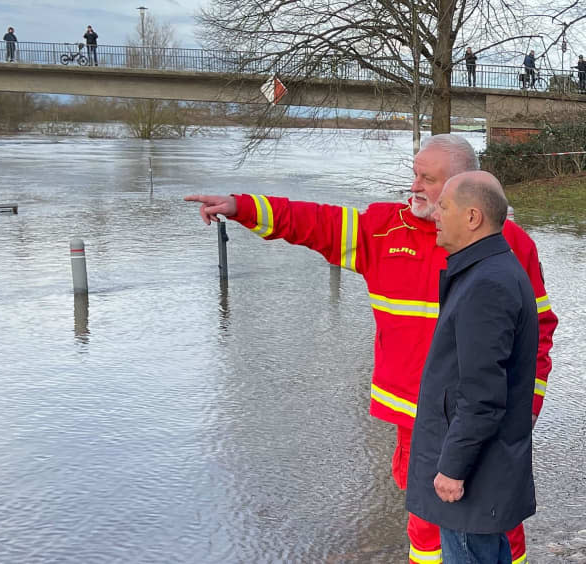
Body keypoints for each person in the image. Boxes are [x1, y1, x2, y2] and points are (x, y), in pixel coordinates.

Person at [184, 134, 557, 564]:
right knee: (426, 525)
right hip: (414, 419)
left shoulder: (507, 245)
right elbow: (312, 222)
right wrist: (242, 207)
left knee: (497, 523)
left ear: (463, 188)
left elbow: (539, 331)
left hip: (482, 420)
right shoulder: (382, 228)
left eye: (428, 179)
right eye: (414, 174)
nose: (414, 186)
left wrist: (528, 406)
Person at [406, 171, 538, 563]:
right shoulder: (490, 270)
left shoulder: (488, 284)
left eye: (444, 207)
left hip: (475, 472)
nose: (434, 216)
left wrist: (452, 467)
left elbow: (482, 396)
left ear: (473, 217)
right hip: (484, 464)